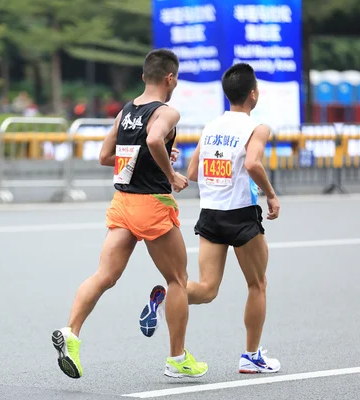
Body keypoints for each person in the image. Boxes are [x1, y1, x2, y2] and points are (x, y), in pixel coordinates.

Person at [52, 49, 208, 380]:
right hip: (152, 205)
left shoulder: (127, 111)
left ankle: (72, 332)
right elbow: (153, 138)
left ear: (143, 77)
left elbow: (106, 155)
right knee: (177, 280)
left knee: (104, 276)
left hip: (123, 203)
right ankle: (177, 358)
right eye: (175, 79)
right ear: (170, 78)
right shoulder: (168, 112)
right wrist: (171, 174)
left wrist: (161, 155)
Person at [138, 63, 281, 374]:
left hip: (211, 215)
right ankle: (251, 356)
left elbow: (192, 172)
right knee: (258, 284)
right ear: (253, 95)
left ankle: (164, 300)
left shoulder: (211, 127)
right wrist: (270, 194)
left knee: (206, 288)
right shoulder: (257, 128)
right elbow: (254, 164)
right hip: (241, 214)